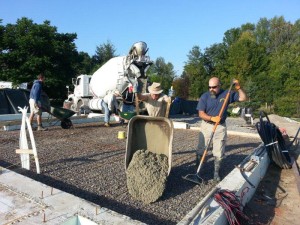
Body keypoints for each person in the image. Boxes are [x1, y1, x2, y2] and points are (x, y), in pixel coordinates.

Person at [196, 77, 247, 181]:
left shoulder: (227, 94)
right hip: (206, 126)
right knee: (202, 149)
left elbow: (243, 98)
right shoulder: (205, 96)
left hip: (220, 127)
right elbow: (201, 113)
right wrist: (212, 118)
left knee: (219, 151)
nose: (211, 89)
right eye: (209, 87)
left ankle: (216, 173)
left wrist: (238, 87)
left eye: (214, 87)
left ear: (219, 86)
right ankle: (198, 170)